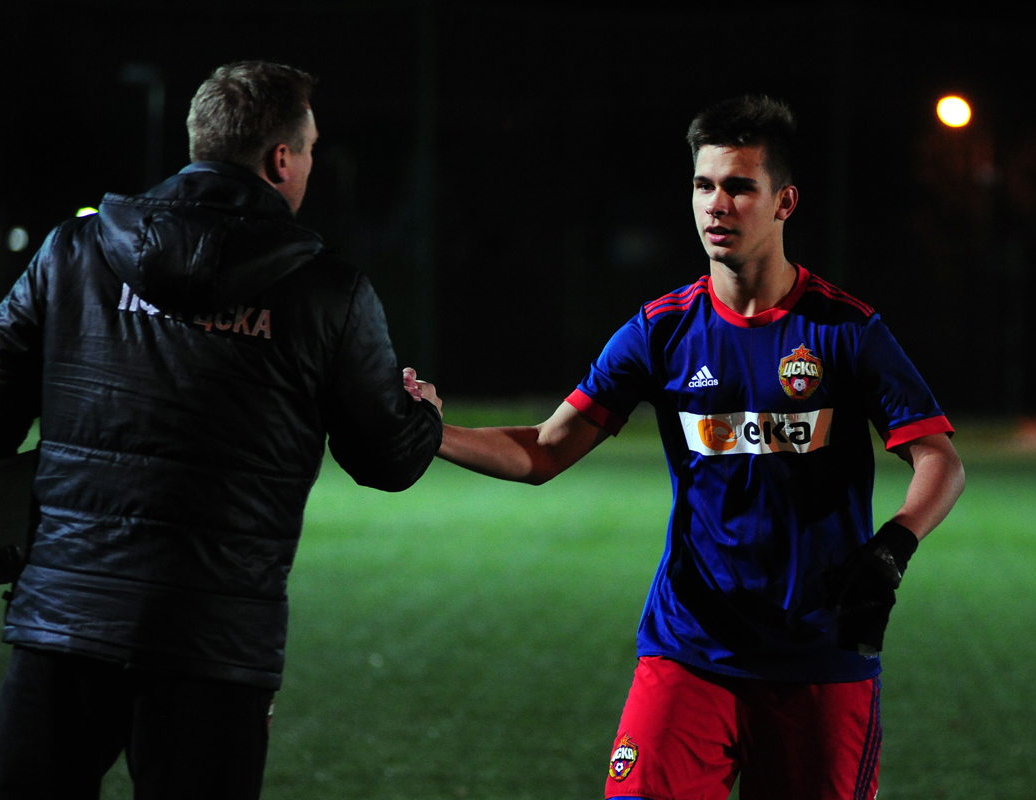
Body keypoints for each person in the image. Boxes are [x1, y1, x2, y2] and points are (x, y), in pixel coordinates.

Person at [413, 96, 964, 799]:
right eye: (704, 185)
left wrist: (894, 545)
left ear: (785, 202)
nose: (716, 205)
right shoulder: (661, 331)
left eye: (739, 187)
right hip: (690, 648)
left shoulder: (846, 331)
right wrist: (428, 432)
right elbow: (544, 449)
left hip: (819, 656)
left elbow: (940, 459)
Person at [0, 61, 442, 799]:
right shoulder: (329, 292)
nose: (310, 165)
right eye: (309, 149)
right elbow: (387, 459)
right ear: (281, 159)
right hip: (216, 642)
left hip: (66, 619)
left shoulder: (73, 254)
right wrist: (424, 413)